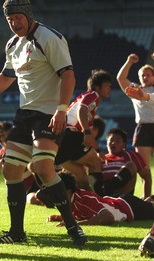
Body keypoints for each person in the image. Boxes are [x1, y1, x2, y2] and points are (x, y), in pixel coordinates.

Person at [0, 0, 88, 246]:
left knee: (42, 167)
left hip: (49, 114)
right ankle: (17, 232)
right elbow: (6, 77)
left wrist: (62, 110)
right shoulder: (12, 44)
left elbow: (68, 74)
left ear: (28, 15)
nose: (14, 23)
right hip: (25, 115)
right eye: (9, 20)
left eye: (18, 18)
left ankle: (73, 227)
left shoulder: (49, 37)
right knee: (11, 170)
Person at [55, 69, 112, 193]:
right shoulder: (92, 95)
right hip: (69, 135)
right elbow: (82, 110)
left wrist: (99, 151)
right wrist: (86, 132)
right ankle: (99, 199)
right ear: (97, 87)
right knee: (95, 163)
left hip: (59, 140)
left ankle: (83, 205)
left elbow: (89, 134)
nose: (109, 89)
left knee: (82, 177)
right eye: (107, 86)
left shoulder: (86, 101)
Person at [48, 172, 154, 226]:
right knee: (148, 204)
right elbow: (85, 213)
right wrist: (64, 217)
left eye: (59, 191)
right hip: (119, 202)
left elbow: (108, 216)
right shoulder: (73, 199)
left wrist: (75, 223)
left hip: (128, 207)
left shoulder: (83, 200)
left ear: (69, 190)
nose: (57, 195)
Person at [116, 53, 154, 197]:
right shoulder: (136, 90)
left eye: (148, 75)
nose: (145, 77)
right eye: (143, 75)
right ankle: (146, 199)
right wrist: (128, 61)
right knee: (144, 168)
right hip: (143, 129)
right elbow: (121, 79)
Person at [101, 128, 151, 198]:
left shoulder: (132, 155)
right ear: (106, 143)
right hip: (103, 190)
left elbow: (147, 176)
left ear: (124, 145)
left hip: (122, 194)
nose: (113, 143)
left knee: (130, 165)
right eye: (111, 140)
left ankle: (114, 195)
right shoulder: (101, 158)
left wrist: (146, 197)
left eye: (118, 141)